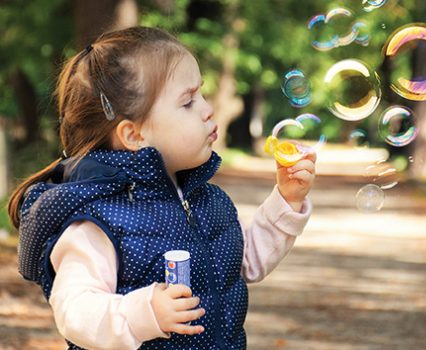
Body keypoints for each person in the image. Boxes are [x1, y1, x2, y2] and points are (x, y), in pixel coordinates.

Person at [8, 26, 315, 350]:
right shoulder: (98, 221)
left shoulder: (206, 200)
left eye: (202, 94)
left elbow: (245, 260)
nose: (207, 108)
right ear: (134, 135)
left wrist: (286, 200)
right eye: (187, 102)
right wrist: (143, 313)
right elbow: (75, 310)